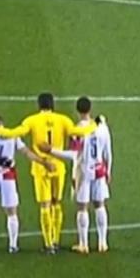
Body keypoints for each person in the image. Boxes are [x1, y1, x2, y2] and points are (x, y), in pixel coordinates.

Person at [0, 93, 96, 254]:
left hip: (41, 168)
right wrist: (94, 125)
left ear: (39, 105)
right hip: (58, 166)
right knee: (56, 203)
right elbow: (79, 132)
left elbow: (15, 133)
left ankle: (48, 244)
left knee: (45, 205)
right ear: (53, 104)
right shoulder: (63, 120)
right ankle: (55, 240)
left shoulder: (31, 120)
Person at [38, 98, 113, 253]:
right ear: (90, 109)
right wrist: (108, 171)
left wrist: (51, 151)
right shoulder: (102, 127)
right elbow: (108, 152)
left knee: (82, 208)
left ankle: (83, 244)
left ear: (78, 111)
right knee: (100, 205)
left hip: (84, 171)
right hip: (99, 170)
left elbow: (73, 154)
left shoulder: (77, 131)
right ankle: (103, 243)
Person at [0, 116, 54, 253]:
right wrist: (43, 162)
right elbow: (27, 153)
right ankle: (13, 245)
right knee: (11, 212)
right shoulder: (13, 136)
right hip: (8, 175)